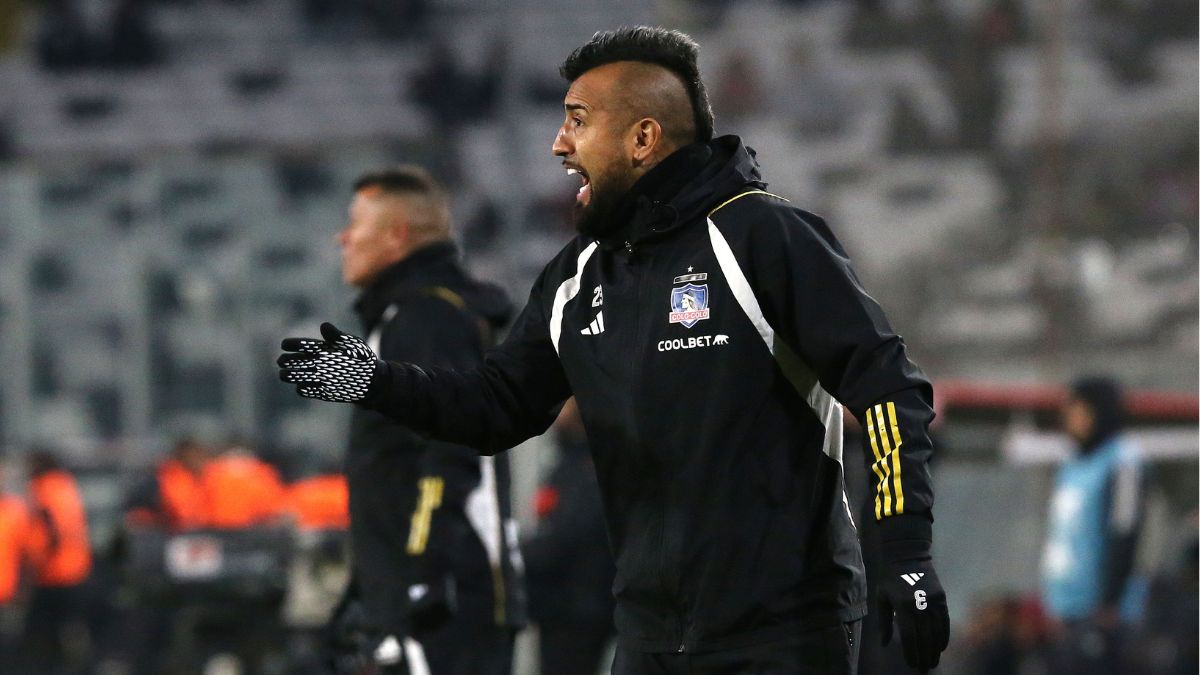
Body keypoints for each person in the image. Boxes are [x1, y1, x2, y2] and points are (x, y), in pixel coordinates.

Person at [280, 26, 950, 674]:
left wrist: (903, 551)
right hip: (647, 635)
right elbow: (495, 406)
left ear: (641, 138)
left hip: (784, 635)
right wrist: (378, 382)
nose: (557, 144)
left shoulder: (762, 237)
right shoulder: (577, 276)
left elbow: (890, 388)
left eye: (576, 120)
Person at [323, 166, 525, 674]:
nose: (342, 238)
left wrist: (423, 572)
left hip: (447, 594)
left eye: (355, 225)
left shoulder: (427, 318)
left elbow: (451, 447)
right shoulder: (409, 317)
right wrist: (369, 583)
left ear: (396, 237)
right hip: (432, 587)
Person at [1041, 375, 1144, 674]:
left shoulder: (1123, 462)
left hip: (1102, 614)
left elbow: (1125, 532)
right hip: (1068, 609)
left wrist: (1108, 604)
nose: (1068, 417)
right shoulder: (1073, 465)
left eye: (1076, 408)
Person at [523, 398, 616, 675]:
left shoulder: (588, 467)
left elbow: (568, 534)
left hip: (577, 610)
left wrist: (516, 555)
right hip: (561, 606)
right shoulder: (567, 461)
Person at [22, 450, 93, 671]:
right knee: (68, 626)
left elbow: (51, 530)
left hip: (53, 572)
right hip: (76, 567)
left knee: (41, 632)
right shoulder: (66, 485)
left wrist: (36, 561)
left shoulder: (44, 488)